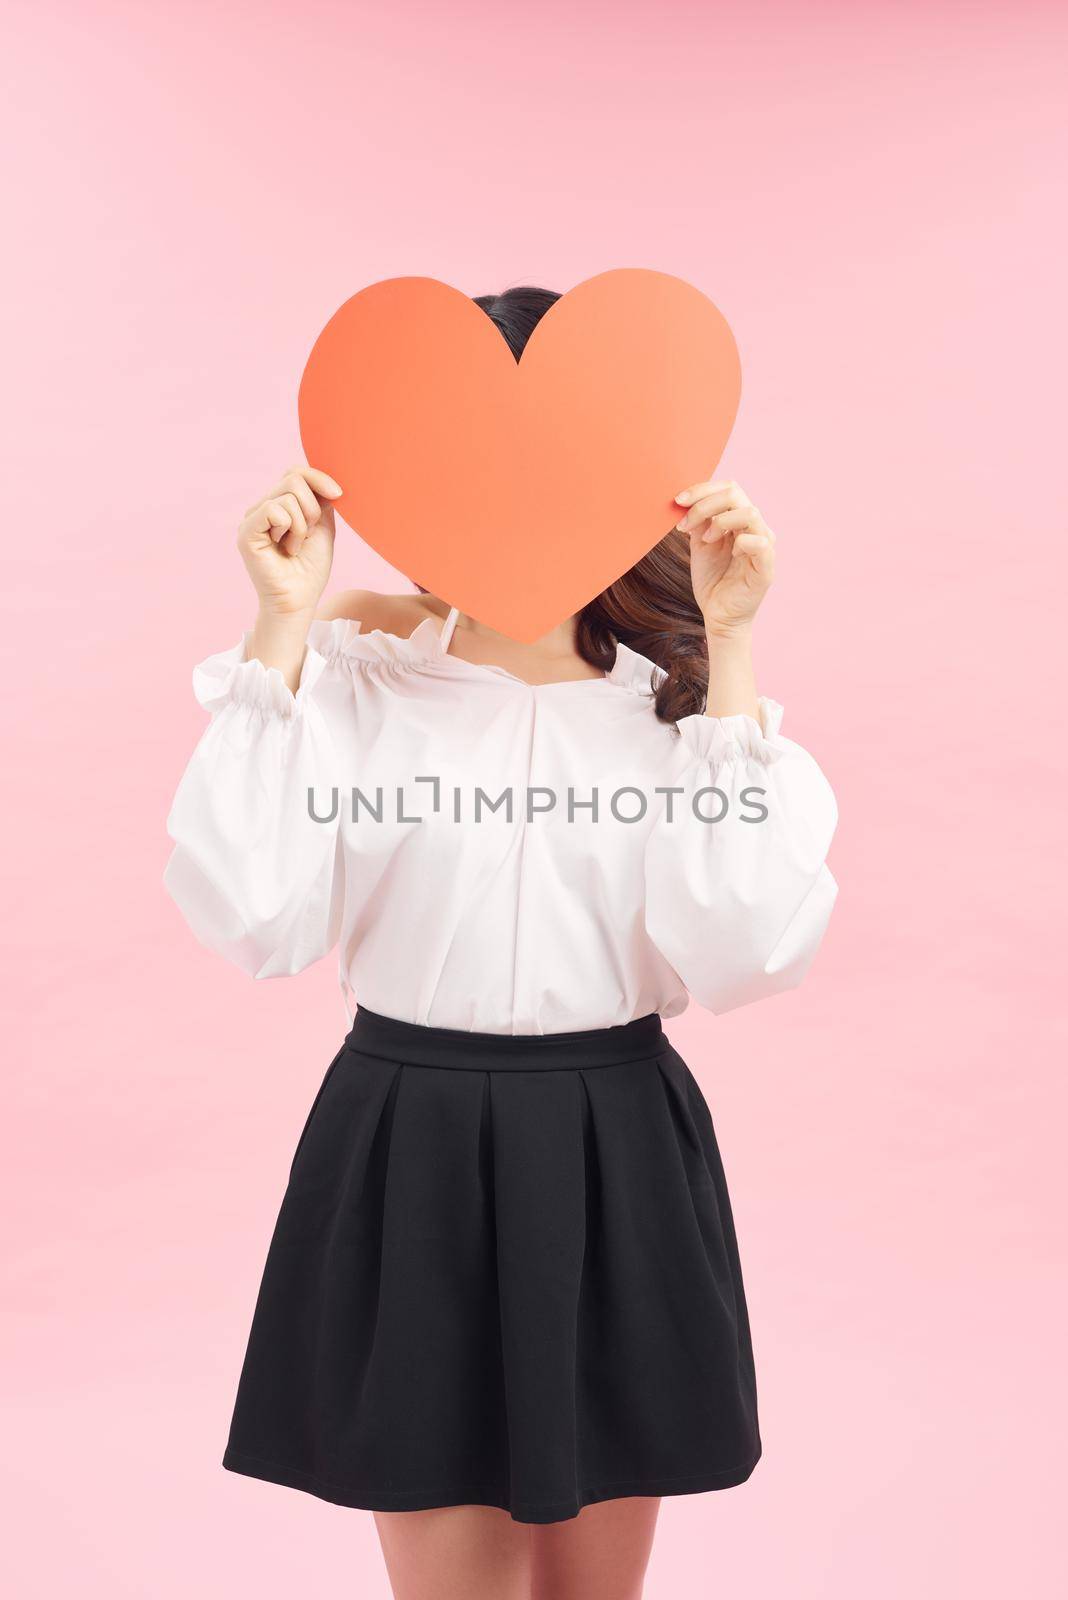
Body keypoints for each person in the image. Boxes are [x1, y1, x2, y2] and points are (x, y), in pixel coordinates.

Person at [164, 286, 838, 1600]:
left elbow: (741, 952)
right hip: (409, 1140)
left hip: (613, 1140)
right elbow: (254, 914)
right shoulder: (354, 682)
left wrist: (735, 646)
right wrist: (285, 625)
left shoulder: (684, 712)